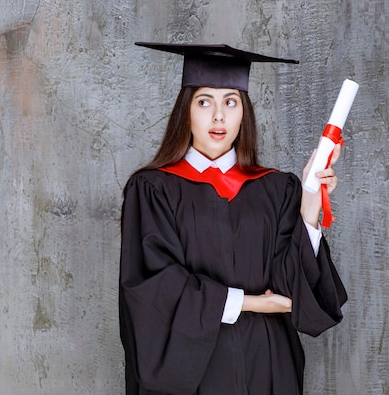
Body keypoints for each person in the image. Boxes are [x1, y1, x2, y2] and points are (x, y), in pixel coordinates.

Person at [119, 42, 347, 395]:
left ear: (244, 112)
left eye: (231, 101)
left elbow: (292, 289)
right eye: (204, 101)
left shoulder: (275, 189)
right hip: (197, 375)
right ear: (186, 112)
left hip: (268, 366)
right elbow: (154, 290)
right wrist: (250, 303)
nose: (219, 117)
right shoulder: (153, 190)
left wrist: (309, 207)